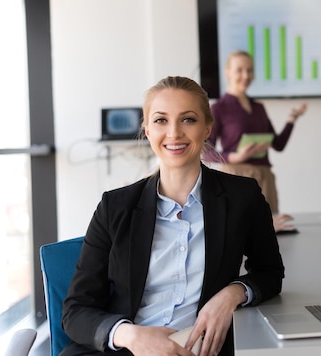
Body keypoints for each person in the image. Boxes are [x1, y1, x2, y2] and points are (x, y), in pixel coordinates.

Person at [61, 76, 284, 356]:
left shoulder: (243, 197)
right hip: (125, 349)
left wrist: (233, 293)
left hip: (199, 349)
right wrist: (130, 335)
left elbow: (270, 272)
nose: (174, 133)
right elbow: (76, 311)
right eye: (161, 120)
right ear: (146, 129)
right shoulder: (114, 206)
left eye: (188, 119)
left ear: (207, 128)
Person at [204, 50, 307, 232]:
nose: (246, 76)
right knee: (241, 232)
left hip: (264, 178)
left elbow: (278, 144)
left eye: (250, 70)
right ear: (227, 72)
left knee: (270, 236)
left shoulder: (259, 107)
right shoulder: (219, 108)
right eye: (239, 70)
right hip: (235, 177)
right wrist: (234, 157)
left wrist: (292, 119)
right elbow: (205, 150)